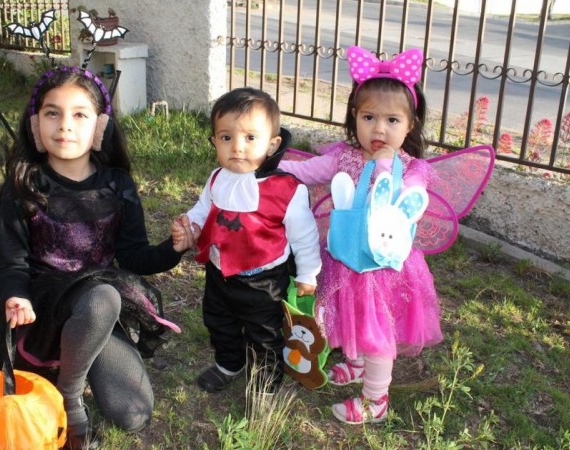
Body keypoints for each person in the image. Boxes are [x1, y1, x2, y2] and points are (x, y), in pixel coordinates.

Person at [0, 65, 197, 450]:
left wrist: (173, 248)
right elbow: (10, 262)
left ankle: (84, 348)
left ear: (100, 128)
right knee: (103, 296)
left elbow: (134, 256)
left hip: (99, 306)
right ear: (36, 125)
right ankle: (70, 400)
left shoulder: (117, 185)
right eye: (53, 112)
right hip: (43, 305)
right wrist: (15, 296)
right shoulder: (25, 185)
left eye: (79, 114)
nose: (65, 125)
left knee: (134, 414)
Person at [278, 46, 443, 424]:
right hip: (344, 258)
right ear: (354, 116)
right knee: (348, 314)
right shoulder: (344, 157)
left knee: (378, 330)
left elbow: (408, 202)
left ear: (410, 125)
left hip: (384, 269)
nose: (379, 129)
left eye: (392, 120)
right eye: (368, 117)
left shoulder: (412, 169)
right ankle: (354, 362)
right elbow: (306, 171)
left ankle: (375, 399)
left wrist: (386, 170)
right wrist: (267, 165)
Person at [171, 87, 321, 394]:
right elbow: (203, 209)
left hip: (262, 280)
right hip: (219, 272)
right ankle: (230, 363)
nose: (237, 147)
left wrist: (307, 273)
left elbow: (304, 235)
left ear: (273, 143)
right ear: (214, 141)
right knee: (218, 321)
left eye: (250, 138)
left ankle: (266, 380)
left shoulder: (287, 190)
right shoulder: (216, 178)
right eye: (226, 137)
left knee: (264, 332)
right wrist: (191, 224)